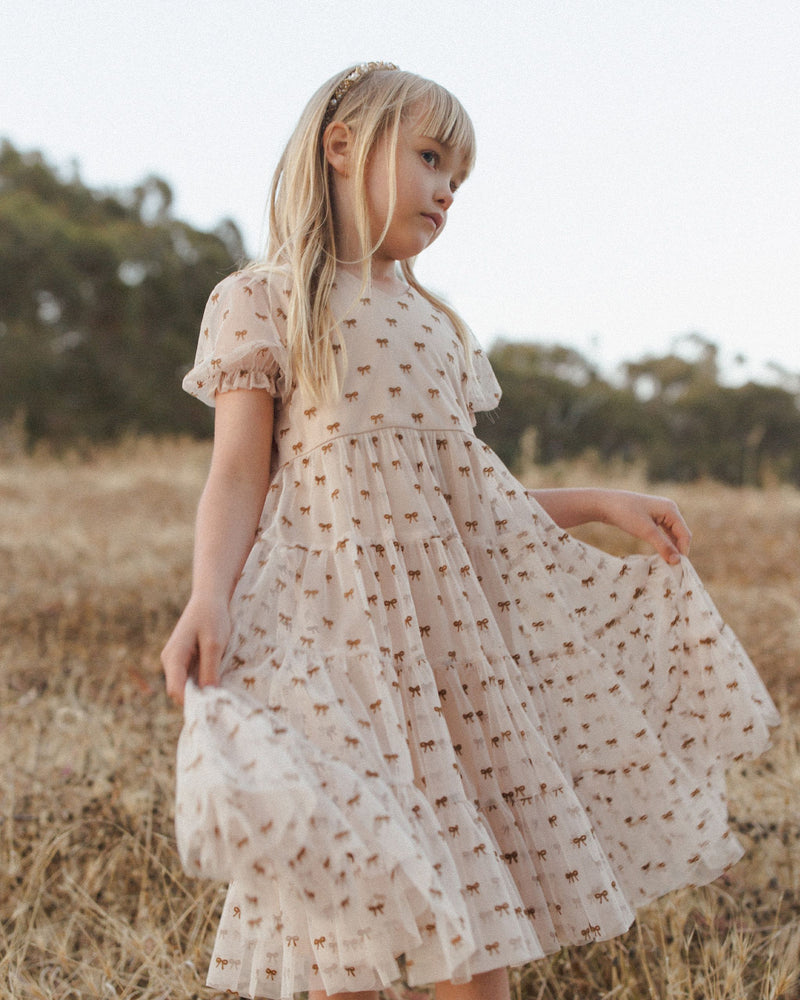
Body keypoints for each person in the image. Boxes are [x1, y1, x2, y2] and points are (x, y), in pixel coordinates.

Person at [161, 62, 779, 1000]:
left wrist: (597, 503)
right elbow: (238, 473)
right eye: (430, 158)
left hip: (446, 665)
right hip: (332, 642)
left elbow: (467, 503)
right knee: (348, 920)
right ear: (341, 147)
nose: (448, 190)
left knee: (473, 930)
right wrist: (208, 596)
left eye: (460, 176)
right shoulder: (264, 300)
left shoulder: (436, 328)